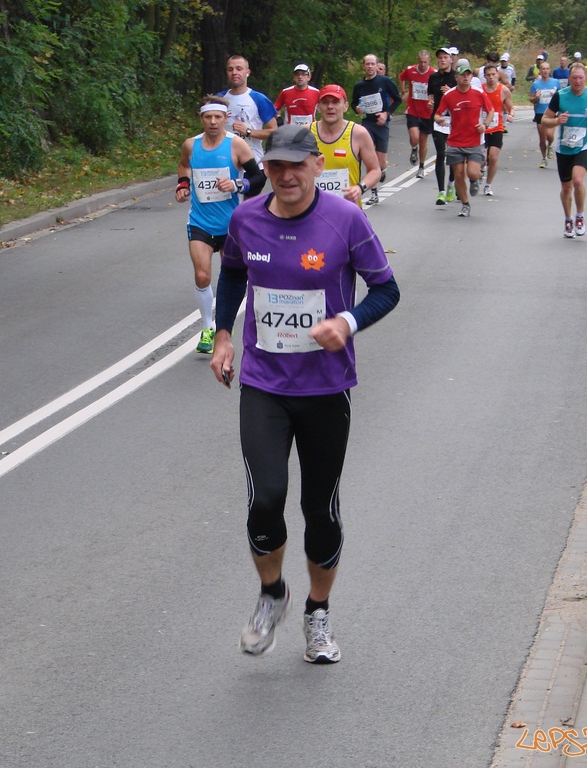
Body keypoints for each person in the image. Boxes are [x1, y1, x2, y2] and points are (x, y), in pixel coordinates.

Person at [209, 124, 400, 664]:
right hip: (264, 385)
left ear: (318, 166)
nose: (287, 176)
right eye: (277, 167)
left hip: (325, 388)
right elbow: (231, 277)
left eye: (298, 165)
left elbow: (387, 289)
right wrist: (224, 335)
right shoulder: (246, 218)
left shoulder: (346, 220)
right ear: (265, 169)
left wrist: (348, 320)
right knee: (265, 500)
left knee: (320, 509)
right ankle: (273, 595)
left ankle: (318, 612)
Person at [176, 96, 265, 353]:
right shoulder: (191, 146)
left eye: (218, 117)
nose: (213, 122)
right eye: (208, 117)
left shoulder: (236, 145)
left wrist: (239, 184)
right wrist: (183, 185)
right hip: (200, 221)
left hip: (230, 224)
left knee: (231, 277)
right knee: (202, 276)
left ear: (226, 118)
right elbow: (183, 166)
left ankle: (225, 323)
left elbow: (258, 177)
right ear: (201, 118)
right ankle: (208, 328)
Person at [541, 61, 587, 238]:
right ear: (569, 79)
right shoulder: (560, 96)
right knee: (566, 187)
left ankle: (580, 216)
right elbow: (544, 120)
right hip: (564, 147)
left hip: (584, 145)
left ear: (586, 79)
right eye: (574, 78)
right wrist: (557, 121)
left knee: (578, 180)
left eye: (581, 78)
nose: (578, 81)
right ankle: (568, 219)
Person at [435, 60, 494, 217]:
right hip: (455, 141)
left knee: (473, 172)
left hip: (475, 141)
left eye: (468, 74)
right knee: (459, 174)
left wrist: (485, 125)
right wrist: (439, 119)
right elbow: (437, 113)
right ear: (457, 77)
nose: (466, 77)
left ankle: (475, 180)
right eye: (463, 75)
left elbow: (491, 110)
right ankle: (465, 204)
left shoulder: (478, 93)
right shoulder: (449, 95)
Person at [311, 84, 382, 205]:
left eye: (335, 102)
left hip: (348, 211)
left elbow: (375, 170)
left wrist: (360, 188)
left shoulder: (358, 133)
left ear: (345, 106)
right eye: (325, 102)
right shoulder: (305, 133)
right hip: (314, 213)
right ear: (318, 107)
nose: (330, 107)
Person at [351, 53, 403, 205]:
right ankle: (374, 193)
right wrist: (357, 109)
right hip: (367, 124)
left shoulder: (384, 81)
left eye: (372, 64)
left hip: (381, 124)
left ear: (376, 65)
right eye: (367, 64)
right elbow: (354, 103)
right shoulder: (359, 86)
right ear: (363, 66)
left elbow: (398, 99)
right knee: (369, 159)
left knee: (380, 162)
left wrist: (387, 113)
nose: (369, 66)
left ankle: (382, 170)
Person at [218, 55, 279, 167]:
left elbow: (274, 132)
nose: (234, 72)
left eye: (239, 69)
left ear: (248, 72)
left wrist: (249, 132)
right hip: (225, 163)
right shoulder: (219, 99)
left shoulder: (259, 99)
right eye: (230, 69)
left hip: (252, 164)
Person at [428, 46, 458, 205]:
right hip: (439, 120)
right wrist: (430, 102)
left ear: (451, 59)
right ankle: (441, 192)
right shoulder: (432, 77)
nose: (442, 60)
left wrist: (451, 91)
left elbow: (463, 93)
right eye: (439, 58)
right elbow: (430, 95)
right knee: (441, 154)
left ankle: (451, 184)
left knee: (453, 155)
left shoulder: (457, 77)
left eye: (445, 57)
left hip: (454, 120)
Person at [481, 63, 514, 197]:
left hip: (497, 127)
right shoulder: (480, 89)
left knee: (493, 157)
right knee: (482, 159)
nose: (491, 77)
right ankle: (479, 174)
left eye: (493, 74)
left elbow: (511, 107)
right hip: (481, 128)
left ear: (497, 75)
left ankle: (488, 185)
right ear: (484, 76)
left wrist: (511, 114)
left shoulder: (503, 90)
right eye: (488, 75)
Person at [400, 50, 434, 176]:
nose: (423, 64)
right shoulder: (410, 70)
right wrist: (403, 92)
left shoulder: (433, 73)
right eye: (420, 62)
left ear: (429, 61)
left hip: (426, 111)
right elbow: (401, 78)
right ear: (417, 60)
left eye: (425, 62)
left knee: (423, 141)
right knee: (414, 137)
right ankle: (414, 148)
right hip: (413, 109)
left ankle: (421, 166)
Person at [530, 61, 560, 167]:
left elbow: (561, 97)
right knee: (542, 138)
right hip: (540, 113)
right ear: (540, 71)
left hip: (552, 113)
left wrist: (555, 95)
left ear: (550, 70)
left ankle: (550, 145)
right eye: (543, 69)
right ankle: (543, 158)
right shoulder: (536, 84)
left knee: (550, 136)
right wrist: (536, 97)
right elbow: (531, 99)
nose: (545, 71)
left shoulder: (555, 82)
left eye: (547, 69)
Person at [274, 63, 320, 127]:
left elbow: (324, 108)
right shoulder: (286, 92)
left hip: (309, 131)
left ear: (309, 77)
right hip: (290, 131)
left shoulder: (316, 93)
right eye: (297, 74)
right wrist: (278, 118)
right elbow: (274, 109)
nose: (300, 77)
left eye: (303, 74)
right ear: (294, 77)